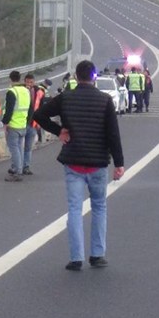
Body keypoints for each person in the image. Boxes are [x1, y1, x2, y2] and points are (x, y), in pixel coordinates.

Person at [34, 60, 125, 271]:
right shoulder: (104, 100)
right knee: (99, 207)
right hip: (97, 162)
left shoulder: (66, 97)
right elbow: (113, 134)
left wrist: (59, 131)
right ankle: (97, 255)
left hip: (73, 161)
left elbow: (39, 114)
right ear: (94, 77)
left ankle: (76, 258)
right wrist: (119, 163)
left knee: (75, 209)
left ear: (76, 76)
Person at [0, 70, 31, 182]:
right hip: (23, 123)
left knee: (14, 150)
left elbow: (9, 110)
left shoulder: (12, 91)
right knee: (19, 148)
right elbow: (30, 108)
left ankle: (17, 172)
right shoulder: (26, 91)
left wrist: (5, 122)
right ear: (20, 78)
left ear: (10, 79)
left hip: (13, 124)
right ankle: (19, 169)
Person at [21, 73, 46, 175]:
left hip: (33, 123)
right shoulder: (20, 91)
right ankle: (17, 166)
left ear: (34, 82)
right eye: (27, 82)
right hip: (21, 123)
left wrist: (39, 122)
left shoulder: (39, 92)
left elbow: (41, 108)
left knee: (28, 147)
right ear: (24, 82)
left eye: (31, 82)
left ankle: (26, 166)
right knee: (18, 147)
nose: (29, 84)